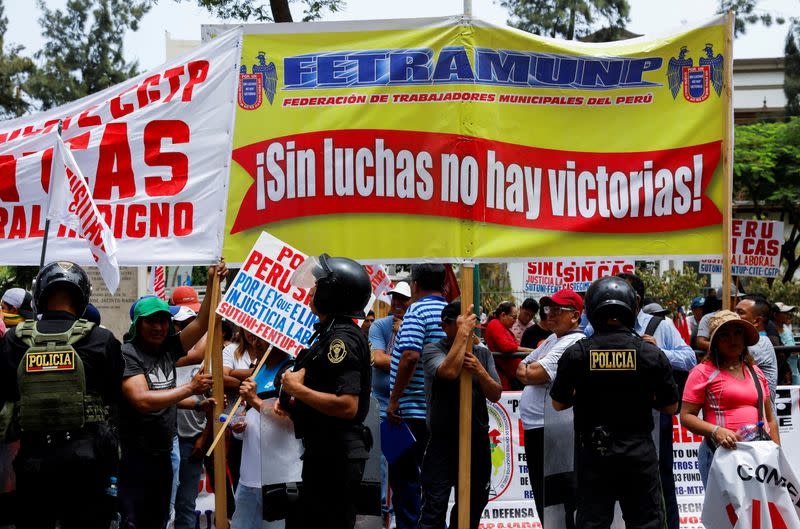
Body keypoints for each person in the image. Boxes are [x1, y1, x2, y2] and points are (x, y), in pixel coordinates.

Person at [0, 261, 124, 529]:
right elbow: (114, 397)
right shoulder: (102, 339)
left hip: (33, 461)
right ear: (83, 295)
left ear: (41, 293)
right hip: (86, 461)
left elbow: (8, 393)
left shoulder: (13, 339)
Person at [550, 276, 678, 529]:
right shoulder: (649, 353)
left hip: (594, 454)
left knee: (593, 523)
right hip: (638, 453)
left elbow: (558, 404)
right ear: (632, 307)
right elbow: (671, 407)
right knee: (646, 523)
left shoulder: (577, 353)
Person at [119, 262, 226, 529]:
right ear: (137, 324)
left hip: (164, 455)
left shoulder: (169, 348)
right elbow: (143, 400)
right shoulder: (128, 354)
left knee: (159, 520)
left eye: (164, 321)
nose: (158, 327)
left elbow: (202, 323)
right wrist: (190, 389)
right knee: (134, 523)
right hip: (136, 459)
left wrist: (213, 280)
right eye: (151, 321)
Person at [277, 253, 373, 529]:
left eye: (318, 285)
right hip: (325, 452)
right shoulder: (329, 333)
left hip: (336, 457)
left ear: (333, 292)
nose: (311, 290)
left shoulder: (341, 340)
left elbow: (347, 406)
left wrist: (297, 389)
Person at [419, 302, 501, 529]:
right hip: (442, 441)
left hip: (477, 441)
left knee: (474, 504)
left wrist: (480, 370)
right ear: (445, 326)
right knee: (435, 505)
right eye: (461, 324)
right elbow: (448, 371)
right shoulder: (432, 350)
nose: (469, 329)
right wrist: (462, 336)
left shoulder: (482, 353)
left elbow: (495, 393)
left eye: (470, 324)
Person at [680, 311, 780, 487]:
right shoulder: (702, 372)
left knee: (756, 513)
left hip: (757, 457)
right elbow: (686, 416)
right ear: (716, 341)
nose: (733, 339)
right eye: (725, 335)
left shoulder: (755, 372)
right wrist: (716, 431)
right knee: (724, 514)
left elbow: (770, 419)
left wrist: (777, 453)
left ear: (745, 338)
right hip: (720, 455)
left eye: (737, 333)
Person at [515, 289, 585, 524]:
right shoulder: (554, 339)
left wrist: (530, 370)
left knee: (559, 496)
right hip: (540, 428)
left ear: (574, 316)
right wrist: (529, 370)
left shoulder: (573, 341)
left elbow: (534, 372)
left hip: (553, 429)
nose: (550, 315)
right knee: (545, 495)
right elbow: (520, 368)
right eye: (549, 309)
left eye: (558, 310)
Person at [386, 264, 448, 529]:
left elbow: (410, 356)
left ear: (415, 284)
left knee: (404, 480)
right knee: (433, 481)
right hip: (437, 411)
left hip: (408, 412)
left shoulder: (417, 310)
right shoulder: (450, 310)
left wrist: (394, 399)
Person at [232, 343, 301, 529]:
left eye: (261, 338)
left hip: (279, 480)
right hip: (248, 477)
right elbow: (248, 417)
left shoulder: (293, 372)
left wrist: (254, 399)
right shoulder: (256, 372)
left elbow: (291, 421)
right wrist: (238, 427)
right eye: (253, 337)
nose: (256, 342)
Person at [369, 281, 412, 527]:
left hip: (409, 402)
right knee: (384, 459)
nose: (397, 303)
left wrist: (403, 334)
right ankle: (385, 511)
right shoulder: (380, 325)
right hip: (383, 402)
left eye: (402, 299)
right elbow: (379, 359)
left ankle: (398, 510)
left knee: (406, 459)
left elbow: (411, 360)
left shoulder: (413, 324)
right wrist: (404, 355)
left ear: (410, 301)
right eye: (394, 298)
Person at [735, 295, 778, 406]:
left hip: (762, 418)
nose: (733, 316)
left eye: (740, 313)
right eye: (734, 311)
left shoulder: (761, 343)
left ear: (757, 321)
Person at [485, 301, 533, 390]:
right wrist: (529, 350)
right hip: (504, 379)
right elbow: (506, 346)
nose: (515, 321)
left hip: (513, 377)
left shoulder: (504, 328)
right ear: (503, 315)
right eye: (514, 318)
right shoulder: (495, 324)